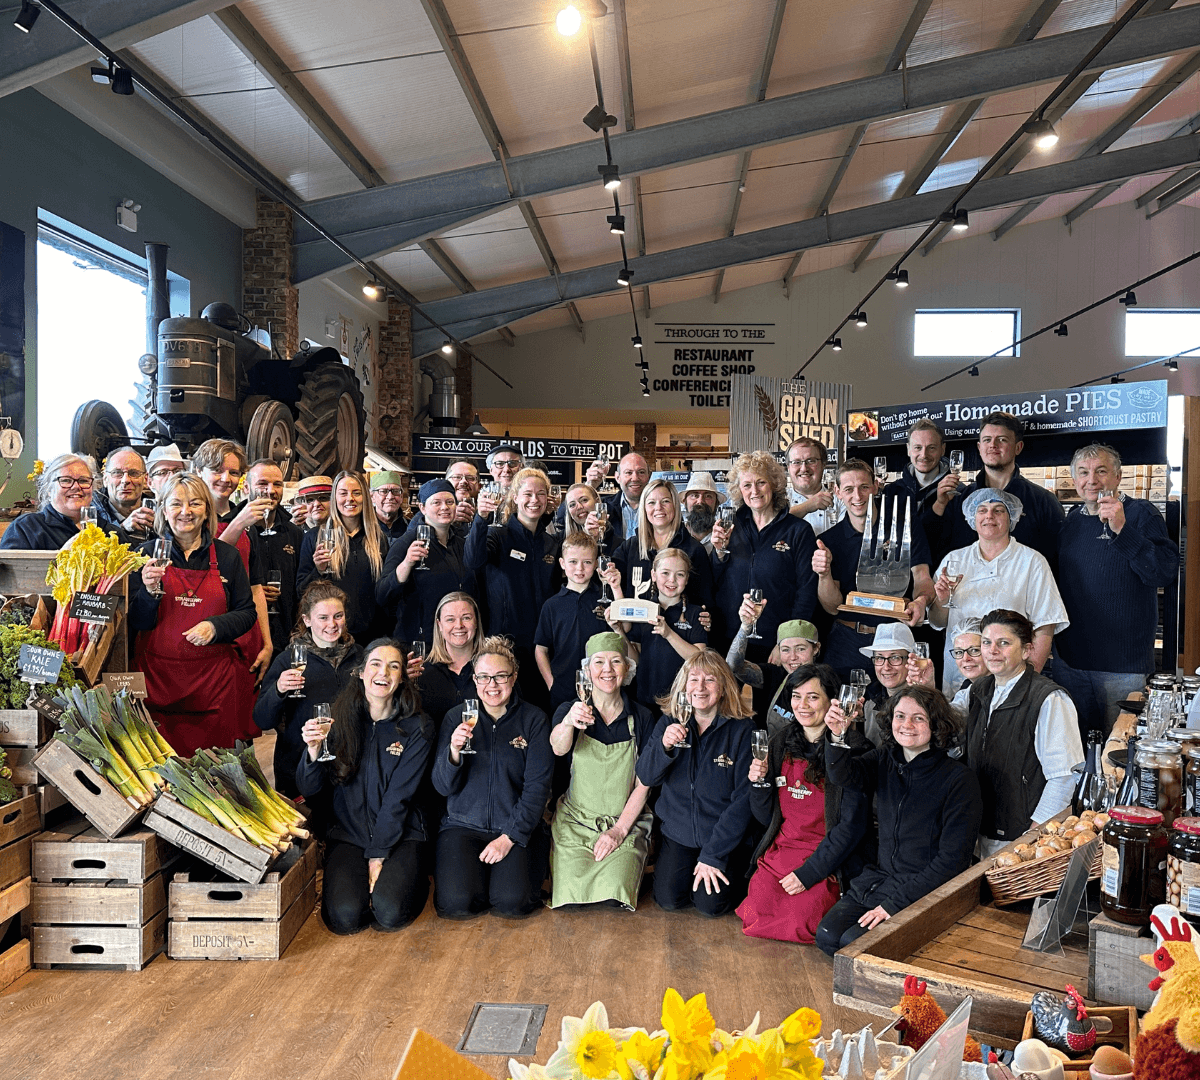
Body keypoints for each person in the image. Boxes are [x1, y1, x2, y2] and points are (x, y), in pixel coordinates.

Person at [815, 685, 981, 956]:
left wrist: (894, 905)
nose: (906, 725)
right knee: (827, 937)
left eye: (919, 718)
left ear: (937, 725)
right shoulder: (885, 758)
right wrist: (837, 734)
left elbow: (952, 861)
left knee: (853, 945)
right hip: (880, 879)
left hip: (922, 889)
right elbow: (844, 776)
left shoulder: (959, 781)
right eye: (900, 716)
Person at [296, 639, 432, 934]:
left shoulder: (416, 727)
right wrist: (313, 752)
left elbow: (399, 798)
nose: (383, 672)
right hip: (349, 835)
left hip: (402, 836)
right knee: (345, 917)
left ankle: (413, 875)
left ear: (402, 677)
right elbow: (310, 788)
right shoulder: (337, 719)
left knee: (390, 911)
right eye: (376, 664)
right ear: (360, 672)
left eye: (394, 666)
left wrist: (378, 855)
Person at [737, 663, 872, 944]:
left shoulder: (856, 749)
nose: (802, 705)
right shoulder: (779, 742)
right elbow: (765, 818)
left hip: (827, 859)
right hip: (782, 851)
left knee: (804, 923)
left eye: (813, 697)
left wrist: (809, 873)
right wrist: (759, 783)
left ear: (832, 701)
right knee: (754, 911)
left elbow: (852, 827)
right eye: (796, 696)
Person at [1054, 443, 1178, 735]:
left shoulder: (1141, 514)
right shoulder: (1072, 520)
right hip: (1071, 662)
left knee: (1119, 751)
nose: (1092, 480)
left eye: (1101, 471)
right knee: (1078, 749)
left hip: (1122, 666)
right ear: (1074, 481)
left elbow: (1162, 573)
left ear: (1118, 476)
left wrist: (1122, 529)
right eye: (1083, 473)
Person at [129, 474, 256, 756]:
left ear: (207, 511)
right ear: (163, 510)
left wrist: (216, 625)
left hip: (213, 687)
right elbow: (136, 622)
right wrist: (149, 592)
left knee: (216, 776)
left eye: (195, 503)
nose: (185, 512)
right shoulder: (144, 555)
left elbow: (247, 612)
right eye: (176, 504)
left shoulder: (227, 556)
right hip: (158, 685)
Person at [432, 636, 553, 919]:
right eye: (484, 677)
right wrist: (453, 752)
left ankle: (503, 877)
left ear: (514, 677)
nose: (492, 685)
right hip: (462, 825)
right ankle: (481, 879)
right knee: (455, 904)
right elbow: (441, 786)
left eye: (500, 677)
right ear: (474, 680)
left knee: (512, 902)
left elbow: (537, 790)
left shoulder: (534, 720)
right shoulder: (456, 718)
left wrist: (509, 837)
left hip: (512, 827)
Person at [635, 650, 755, 916]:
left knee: (710, 906)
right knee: (668, 899)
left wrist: (713, 855)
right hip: (679, 834)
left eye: (710, 680)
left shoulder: (742, 730)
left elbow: (743, 801)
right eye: (693, 680)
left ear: (723, 688)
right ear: (683, 686)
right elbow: (646, 776)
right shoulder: (668, 722)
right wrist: (664, 747)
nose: (700, 687)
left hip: (723, 839)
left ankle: (735, 871)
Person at [548, 633, 655, 910]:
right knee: (568, 895)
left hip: (625, 823)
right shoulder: (570, 710)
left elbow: (645, 784)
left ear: (627, 669)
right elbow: (559, 748)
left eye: (616, 661)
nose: (607, 670)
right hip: (576, 822)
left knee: (615, 891)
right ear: (587, 670)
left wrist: (619, 831)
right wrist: (569, 722)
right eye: (599, 662)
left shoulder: (641, 717)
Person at [928, 488, 1068, 695]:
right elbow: (938, 622)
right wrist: (942, 600)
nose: (989, 516)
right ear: (972, 518)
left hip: (1011, 676)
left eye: (998, 510)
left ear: (1011, 517)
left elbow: (1045, 626)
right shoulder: (954, 560)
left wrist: (1027, 679)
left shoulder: (1031, 562)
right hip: (961, 674)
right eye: (982, 510)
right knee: (961, 723)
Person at [967, 609, 1084, 855]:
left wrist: (1031, 839)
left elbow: (1063, 778)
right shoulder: (979, 690)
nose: (992, 651)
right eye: (986, 643)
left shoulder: (1050, 699)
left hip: (1018, 839)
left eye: (1004, 643)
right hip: (978, 833)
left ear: (1027, 649)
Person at [809, 459, 934, 681]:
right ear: (837, 492)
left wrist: (921, 601)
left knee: (897, 708)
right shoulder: (829, 541)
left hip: (894, 640)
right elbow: (832, 607)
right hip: (847, 641)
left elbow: (922, 577)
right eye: (848, 489)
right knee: (843, 706)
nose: (857, 496)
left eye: (864, 487)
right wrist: (824, 574)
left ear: (875, 486)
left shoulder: (905, 529)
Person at [253, 582, 363, 798]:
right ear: (307, 620)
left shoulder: (360, 656)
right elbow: (262, 720)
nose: (332, 624)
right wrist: (278, 689)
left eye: (338, 616)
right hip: (298, 767)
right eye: (323, 617)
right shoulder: (287, 661)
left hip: (350, 768)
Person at [465, 467, 562, 710]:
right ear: (515, 497)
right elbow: (473, 561)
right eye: (527, 493)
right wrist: (481, 518)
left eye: (541, 494)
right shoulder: (498, 535)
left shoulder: (552, 544)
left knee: (541, 712)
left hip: (544, 648)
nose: (534, 500)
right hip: (505, 646)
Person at [711, 450, 819, 656]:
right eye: (747, 485)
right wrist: (718, 554)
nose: (755, 491)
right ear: (739, 490)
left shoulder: (798, 531)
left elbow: (806, 592)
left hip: (776, 644)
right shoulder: (729, 528)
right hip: (729, 639)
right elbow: (714, 582)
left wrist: (787, 642)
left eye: (761, 482)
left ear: (775, 484)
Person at [924, 411, 1064, 569]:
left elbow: (1056, 562)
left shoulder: (1044, 501)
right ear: (979, 447)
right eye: (987, 440)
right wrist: (939, 504)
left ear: (1018, 447)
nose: (993, 445)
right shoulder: (957, 499)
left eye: (1002, 440)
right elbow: (930, 546)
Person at [192, 439, 273, 687]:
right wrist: (238, 523)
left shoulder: (249, 523)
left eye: (234, 472)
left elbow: (255, 587)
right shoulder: (188, 518)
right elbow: (202, 569)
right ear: (198, 472)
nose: (226, 478)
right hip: (202, 632)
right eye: (217, 470)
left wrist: (267, 642)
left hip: (244, 637)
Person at [376, 479, 473, 648]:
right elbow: (382, 595)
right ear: (422, 508)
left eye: (450, 502)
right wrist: (406, 563)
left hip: (454, 640)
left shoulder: (461, 543)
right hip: (418, 643)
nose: (444, 507)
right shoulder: (406, 543)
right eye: (436, 502)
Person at [610, 547, 707, 714]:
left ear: (687, 578)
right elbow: (636, 660)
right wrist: (619, 631)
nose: (672, 580)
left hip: (681, 701)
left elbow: (700, 659)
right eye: (665, 573)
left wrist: (669, 634)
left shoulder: (695, 613)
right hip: (644, 699)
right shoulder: (644, 609)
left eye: (680, 574)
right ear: (653, 575)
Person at [298, 470, 389, 645]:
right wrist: (318, 570)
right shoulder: (315, 537)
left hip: (371, 636)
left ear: (366, 497)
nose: (350, 499)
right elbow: (301, 591)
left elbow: (384, 592)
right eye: (343, 493)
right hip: (330, 636)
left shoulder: (378, 538)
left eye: (356, 493)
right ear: (335, 498)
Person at [534, 531, 608, 719]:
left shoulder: (605, 600)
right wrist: (552, 684)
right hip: (563, 689)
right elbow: (540, 649)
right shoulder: (552, 605)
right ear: (562, 564)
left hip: (603, 687)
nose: (580, 568)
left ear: (596, 564)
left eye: (587, 562)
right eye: (573, 562)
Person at [613, 477, 713, 612]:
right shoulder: (630, 547)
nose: (658, 508)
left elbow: (705, 601)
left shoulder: (694, 549)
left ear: (675, 505)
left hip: (677, 630)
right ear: (644, 508)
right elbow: (610, 577)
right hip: (637, 629)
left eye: (665, 501)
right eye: (651, 503)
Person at [246, 458, 304, 658]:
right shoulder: (236, 529)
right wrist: (253, 590)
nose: (271, 490)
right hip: (245, 636)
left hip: (285, 638)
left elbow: (301, 585)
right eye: (262, 483)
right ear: (247, 487)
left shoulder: (294, 533)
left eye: (277, 484)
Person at [727, 612, 821, 724]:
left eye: (800, 649)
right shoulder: (772, 675)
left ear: (816, 649)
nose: (793, 657)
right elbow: (733, 666)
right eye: (786, 650)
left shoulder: (825, 682)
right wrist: (745, 627)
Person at [0, 452, 94, 549]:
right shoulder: (25, 528)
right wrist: (62, 556)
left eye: (83, 481)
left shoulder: (105, 530)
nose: (76, 486)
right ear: (49, 489)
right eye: (66, 480)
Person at [417, 592, 483, 726]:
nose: (459, 625)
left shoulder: (493, 669)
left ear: (476, 622)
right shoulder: (422, 673)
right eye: (450, 619)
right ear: (439, 625)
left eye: (466, 618)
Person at [855, 623, 920, 747]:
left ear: (911, 660)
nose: (886, 667)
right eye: (879, 658)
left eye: (895, 658)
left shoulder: (924, 702)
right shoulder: (868, 700)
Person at [93, 447, 154, 540]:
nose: (125, 480)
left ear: (146, 479)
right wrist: (122, 528)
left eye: (133, 473)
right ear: (105, 479)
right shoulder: (90, 515)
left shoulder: (160, 513)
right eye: (117, 473)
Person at [785, 437, 840, 536]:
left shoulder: (839, 500)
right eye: (796, 462)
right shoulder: (776, 499)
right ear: (788, 467)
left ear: (824, 464)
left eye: (811, 461)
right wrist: (807, 506)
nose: (804, 468)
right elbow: (769, 527)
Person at [560, 482, 618, 551]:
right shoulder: (559, 542)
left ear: (597, 502)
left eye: (584, 500)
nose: (579, 507)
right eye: (572, 505)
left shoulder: (618, 545)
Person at [612, 452, 650, 539]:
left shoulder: (659, 508)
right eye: (628, 472)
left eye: (641, 472)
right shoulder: (605, 507)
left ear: (648, 476)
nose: (635, 478)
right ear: (618, 477)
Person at [681, 471, 722, 549]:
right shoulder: (676, 536)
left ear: (716, 503)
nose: (700, 501)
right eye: (694, 495)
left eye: (708, 496)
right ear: (684, 501)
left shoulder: (725, 537)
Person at [370, 470, 409, 540]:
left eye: (396, 491)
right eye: (383, 491)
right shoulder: (363, 527)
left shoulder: (411, 528)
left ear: (401, 496)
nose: (390, 497)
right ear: (372, 497)